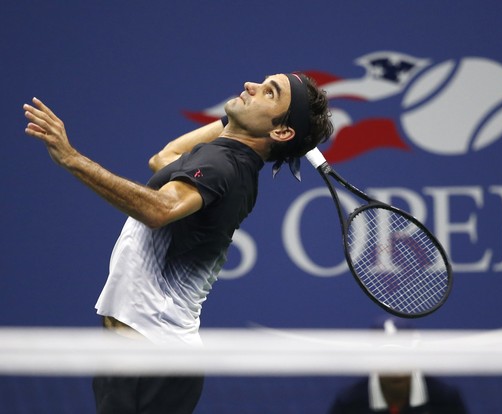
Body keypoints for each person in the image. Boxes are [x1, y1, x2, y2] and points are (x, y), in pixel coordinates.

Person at [23, 72, 333, 414]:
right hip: (138, 354)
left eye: (268, 92)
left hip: (153, 359)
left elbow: (160, 209)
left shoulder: (223, 165)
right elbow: (164, 158)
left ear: (281, 131)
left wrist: (72, 159)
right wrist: (236, 120)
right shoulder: (228, 159)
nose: (251, 86)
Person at [328, 319, 468, 414]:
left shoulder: (445, 398)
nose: (395, 368)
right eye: (386, 356)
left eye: (402, 354)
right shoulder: (350, 402)